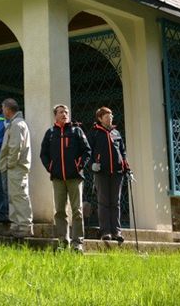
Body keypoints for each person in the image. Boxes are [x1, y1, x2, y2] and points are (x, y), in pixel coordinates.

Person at [39, 104, 91, 252]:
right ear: (55, 115)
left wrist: (78, 165)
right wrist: (51, 167)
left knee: (77, 211)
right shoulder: (50, 133)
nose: (64, 114)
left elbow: (87, 151)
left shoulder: (76, 131)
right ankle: (63, 242)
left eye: (66, 112)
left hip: (74, 178)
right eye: (61, 112)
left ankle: (77, 244)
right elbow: (43, 154)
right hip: (57, 179)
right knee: (60, 211)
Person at [88, 106, 130, 243]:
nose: (110, 118)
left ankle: (116, 231)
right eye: (106, 116)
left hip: (117, 172)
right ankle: (105, 231)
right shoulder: (94, 133)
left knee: (115, 202)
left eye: (111, 115)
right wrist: (92, 164)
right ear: (100, 118)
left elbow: (122, 152)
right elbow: (88, 152)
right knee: (103, 202)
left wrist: (126, 167)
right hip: (102, 172)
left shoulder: (116, 133)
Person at [0, 98, 33, 238]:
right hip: (15, 167)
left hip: (16, 167)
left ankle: (24, 226)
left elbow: (15, 147)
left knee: (19, 196)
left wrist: (9, 164)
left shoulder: (17, 124)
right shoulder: (16, 123)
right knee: (14, 196)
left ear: (7, 109)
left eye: (3, 108)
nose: (2, 111)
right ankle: (16, 225)